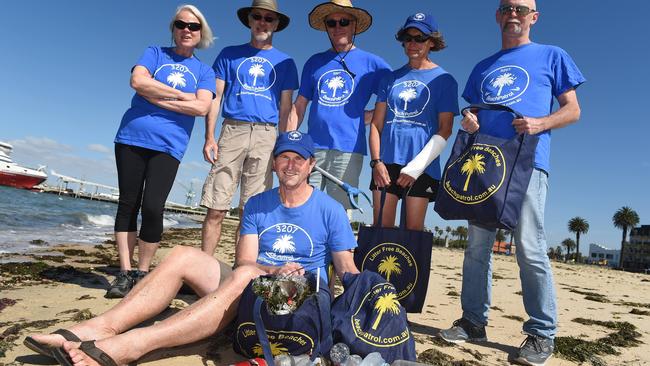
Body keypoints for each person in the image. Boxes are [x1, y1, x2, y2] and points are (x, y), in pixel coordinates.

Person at [24, 132, 359, 366]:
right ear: (274, 164)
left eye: (298, 159)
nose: (290, 165)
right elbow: (245, 260)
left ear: (311, 165)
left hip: (298, 297)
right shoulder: (258, 204)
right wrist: (271, 271)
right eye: (284, 157)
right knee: (186, 254)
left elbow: (346, 267)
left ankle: (130, 345)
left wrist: (366, 300)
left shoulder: (330, 209)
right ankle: (97, 328)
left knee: (244, 276)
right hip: (255, 282)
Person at [438, 1, 585, 365]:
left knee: (529, 247)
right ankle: (473, 322)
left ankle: (541, 332)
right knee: (476, 248)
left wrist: (539, 123)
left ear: (534, 17)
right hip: (486, 164)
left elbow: (573, 110)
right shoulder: (482, 67)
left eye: (522, 7)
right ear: (498, 16)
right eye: (507, 7)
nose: (514, 12)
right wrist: (470, 123)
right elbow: (473, 113)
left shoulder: (553, 55)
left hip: (527, 163)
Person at [107, 5, 216, 298]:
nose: (186, 30)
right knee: (128, 203)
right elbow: (137, 81)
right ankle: (125, 273)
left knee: (153, 207)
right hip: (132, 137)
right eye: (181, 24)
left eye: (193, 26)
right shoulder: (154, 53)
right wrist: (181, 95)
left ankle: (143, 273)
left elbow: (202, 106)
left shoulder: (205, 71)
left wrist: (155, 96)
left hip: (169, 146)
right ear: (174, 28)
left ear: (201, 33)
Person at [199, 0, 299, 256]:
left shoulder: (286, 62)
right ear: (250, 20)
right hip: (232, 131)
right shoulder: (229, 54)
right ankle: (203, 268)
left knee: (251, 211)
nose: (262, 22)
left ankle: (241, 274)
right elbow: (215, 98)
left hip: (267, 135)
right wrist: (210, 137)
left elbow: (287, 108)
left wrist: (285, 147)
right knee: (216, 207)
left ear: (276, 25)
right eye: (258, 16)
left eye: (269, 18)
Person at [290, 0, 390, 217]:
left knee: (338, 214)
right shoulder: (314, 62)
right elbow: (299, 106)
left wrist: (369, 116)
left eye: (343, 22)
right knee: (302, 208)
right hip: (311, 149)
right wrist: (290, 141)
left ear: (354, 26)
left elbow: (396, 95)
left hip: (349, 149)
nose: (337, 27)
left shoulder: (373, 63)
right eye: (331, 23)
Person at [368, 13, 457, 230]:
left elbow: (446, 129)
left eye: (420, 38)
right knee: (381, 234)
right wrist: (376, 162)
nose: (413, 43)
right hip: (386, 165)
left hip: (422, 167)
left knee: (412, 237)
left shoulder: (445, 80)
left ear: (432, 42)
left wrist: (416, 168)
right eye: (408, 38)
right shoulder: (390, 78)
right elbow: (376, 124)